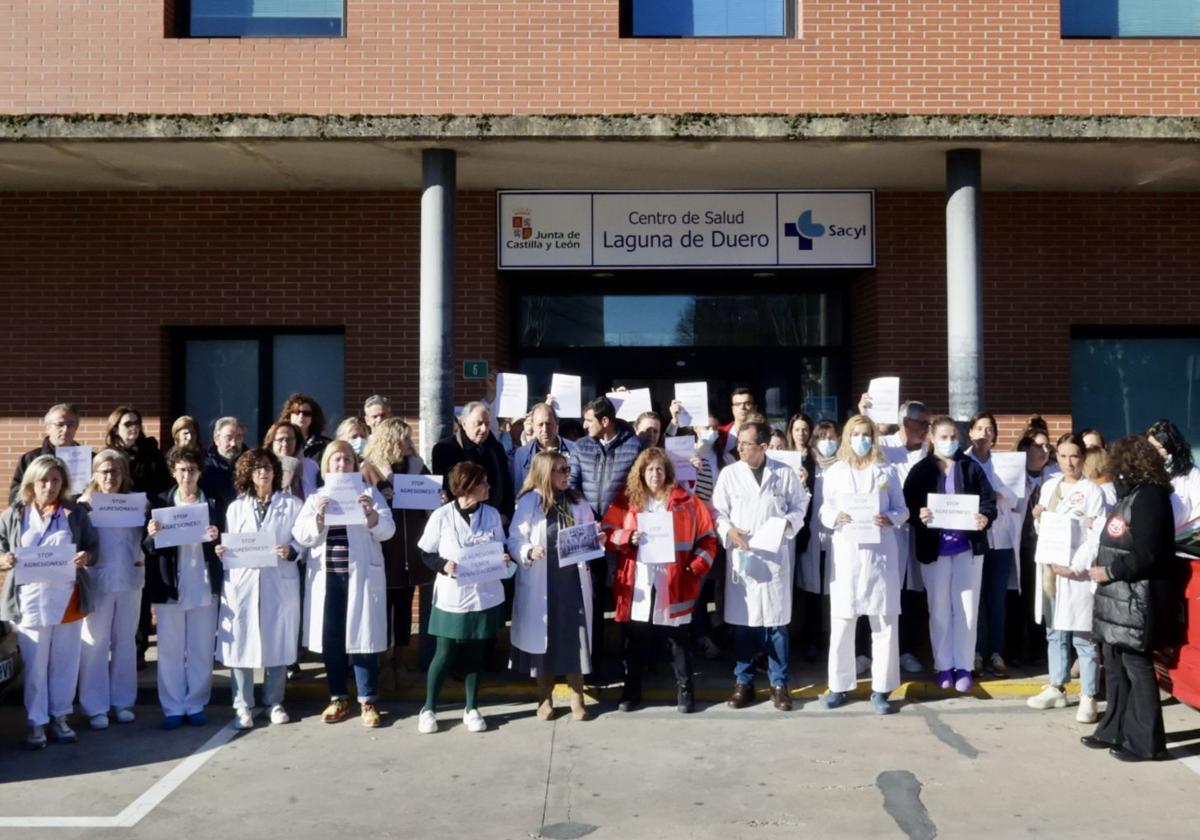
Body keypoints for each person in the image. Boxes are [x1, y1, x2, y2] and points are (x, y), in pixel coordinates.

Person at [1084, 435, 1179, 762]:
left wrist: (1111, 571)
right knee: (1115, 662)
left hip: (1138, 598)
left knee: (1136, 666)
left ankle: (1146, 742)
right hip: (1120, 599)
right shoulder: (1135, 495)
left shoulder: (1151, 497)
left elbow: (1150, 553)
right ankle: (1114, 729)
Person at [602, 448, 718, 713]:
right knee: (635, 640)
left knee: (678, 639)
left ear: (667, 473)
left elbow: (709, 539)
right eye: (649, 469)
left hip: (674, 582)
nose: (655, 474)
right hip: (638, 581)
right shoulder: (627, 501)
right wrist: (626, 537)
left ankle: (686, 692)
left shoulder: (686, 502)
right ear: (641, 473)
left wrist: (696, 566)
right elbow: (607, 532)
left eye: (659, 469)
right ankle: (632, 692)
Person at [292, 440, 395, 728]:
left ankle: (368, 700)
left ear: (354, 465)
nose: (341, 465)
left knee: (363, 638)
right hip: (329, 578)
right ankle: (338, 697)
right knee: (333, 638)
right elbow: (301, 536)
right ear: (326, 466)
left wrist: (371, 515)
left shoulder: (369, 494)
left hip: (361, 575)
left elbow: (388, 531)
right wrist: (319, 518)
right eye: (336, 460)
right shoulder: (316, 497)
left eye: (347, 460)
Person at [0, 455, 98, 749]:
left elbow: (93, 547)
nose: (50, 486)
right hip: (29, 602)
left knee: (65, 665)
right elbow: (1, 546)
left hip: (67, 600)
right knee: (35, 667)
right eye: (44, 480)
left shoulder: (74, 513)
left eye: (56, 480)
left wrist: (86, 557)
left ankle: (60, 717)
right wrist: (4, 559)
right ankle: (36, 722)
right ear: (32, 481)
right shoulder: (14, 514)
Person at [713, 421, 810, 710]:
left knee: (777, 624)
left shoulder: (784, 474)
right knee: (744, 625)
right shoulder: (730, 474)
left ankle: (779, 684)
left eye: (746, 444)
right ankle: (743, 682)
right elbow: (717, 511)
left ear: (764, 447)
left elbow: (799, 507)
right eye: (739, 443)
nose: (739, 448)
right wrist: (728, 531)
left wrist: (787, 524)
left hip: (774, 558)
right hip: (744, 558)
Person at [818, 415, 908, 714]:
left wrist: (890, 518)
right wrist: (835, 518)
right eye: (856, 434)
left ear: (874, 437)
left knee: (883, 624)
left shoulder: (887, 470)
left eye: (866, 434)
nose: (862, 439)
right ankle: (840, 685)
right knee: (843, 623)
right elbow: (824, 509)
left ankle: (881, 689)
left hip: (880, 556)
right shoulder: (836, 472)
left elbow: (902, 508)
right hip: (847, 556)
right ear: (847, 437)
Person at [416, 462, 515, 734]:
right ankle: (428, 708)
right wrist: (443, 565)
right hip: (452, 594)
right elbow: (426, 552)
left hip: (484, 593)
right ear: (469, 486)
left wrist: (503, 558)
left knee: (475, 652)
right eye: (484, 482)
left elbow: (499, 546)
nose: (489, 487)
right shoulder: (442, 516)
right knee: (444, 653)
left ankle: (471, 707)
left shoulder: (492, 514)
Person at [903, 415, 996, 693]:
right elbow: (906, 506)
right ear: (931, 437)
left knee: (967, 610)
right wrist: (918, 514)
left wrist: (985, 518)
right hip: (935, 551)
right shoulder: (920, 471)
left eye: (953, 437)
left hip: (968, 549)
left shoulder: (972, 468)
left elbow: (989, 502)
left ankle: (964, 666)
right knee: (940, 610)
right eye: (943, 437)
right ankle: (943, 665)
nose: (949, 442)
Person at [214, 449, 303, 730]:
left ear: (275, 471)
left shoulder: (292, 505)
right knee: (241, 642)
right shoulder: (236, 508)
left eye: (267, 467)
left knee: (277, 638)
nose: (263, 473)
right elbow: (232, 547)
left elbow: (304, 542)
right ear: (247, 475)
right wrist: (221, 551)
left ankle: (274, 701)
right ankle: (243, 704)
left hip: (280, 580)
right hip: (243, 583)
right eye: (256, 469)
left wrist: (292, 550)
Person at [1026, 432, 1108, 722]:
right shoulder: (1049, 486)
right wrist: (1037, 516)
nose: (1068, 462)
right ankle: (1057, 686)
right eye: (1062, 456)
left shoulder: (1093, 492)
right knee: (1055, 631)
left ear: (1083, 457)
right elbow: (1044, 530)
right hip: (1050, 571)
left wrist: (1074, 566)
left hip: (1077, 573)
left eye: (1074, 455)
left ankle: (1088, 695)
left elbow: (1096, 536)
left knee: (1082, 636)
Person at [509, 451, 597, 720]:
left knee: (574, 638)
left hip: (572, 581)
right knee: (543, 641)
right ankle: (544, 697)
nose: (566, 475)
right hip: (541, 580)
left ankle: (577, 697)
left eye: (567, 469)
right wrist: (527, 551)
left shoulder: (577, 500)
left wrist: (597, 537)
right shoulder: (528, 503)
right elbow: (513, 539)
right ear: (545, 473)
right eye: (560, 470)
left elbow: (590, 530)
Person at [144, 447, 223, 729]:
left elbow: (227, 542)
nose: (187, 475)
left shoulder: (213, 503)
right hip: (171, 587)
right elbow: (147, 549)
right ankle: (173, 707)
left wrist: (217, 537)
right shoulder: (161, 503)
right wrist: (152, 536)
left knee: (201, 648)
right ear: (173, 472)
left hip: (203, 584)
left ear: (200, 472)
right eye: (181, 470)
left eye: (192, 470)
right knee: (170, 650)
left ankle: (196, 703)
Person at [571, 395, 644, 679]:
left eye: (588, 420)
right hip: (591, 533)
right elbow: (574, 484)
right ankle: (593, 661)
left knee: (627, 595)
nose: (584, 424)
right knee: (593, 595)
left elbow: (637, 488)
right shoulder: (581, 446)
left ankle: (631, 662)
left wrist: (619, 521)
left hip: (623, 532)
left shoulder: (633, 445)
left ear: (605, 421)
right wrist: (589, 519)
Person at [360, 417, 436, 685]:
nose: (408, 443)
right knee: (381, 608)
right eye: (402, 438)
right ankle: (382, 659)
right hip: (384, 549)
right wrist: (384, 498)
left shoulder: (417, 467)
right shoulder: (369, 470)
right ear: (389, 440)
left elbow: (431, 503)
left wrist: (436, 498)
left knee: (404, 607)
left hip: (411, 548)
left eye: (408, 438)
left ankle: (400, 659)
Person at [77, 450, 145, 730]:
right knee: (94, 642)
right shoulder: (83, 506)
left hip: (130, 580)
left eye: (115, 471)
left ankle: (122, 702)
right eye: (104, 471)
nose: (110, 477)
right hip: (97, 581)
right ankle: (95, 707)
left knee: (125, 642)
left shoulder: (138, 504)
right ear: (94, 474)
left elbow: (150, 537)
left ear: (123, 474)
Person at [873, 398, 932, 675]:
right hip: (888, 530)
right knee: (882, 591)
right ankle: (868, 651)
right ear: (907, 423)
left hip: (916, 531)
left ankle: (907, 649)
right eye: (924, 424)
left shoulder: (928, 452)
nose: (927, 429)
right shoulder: (883, 447)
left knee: (912, 592)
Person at [966, 411, 1021, 677]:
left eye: (989, 429)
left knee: (996, 598)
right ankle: (975, 651)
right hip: (973, 537)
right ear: (970, 432)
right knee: (974, 598)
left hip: (1000, 539)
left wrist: (1003, 494)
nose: (984, 434)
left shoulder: (1006, 463)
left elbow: (1016, 501)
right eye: (979, 428)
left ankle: (996, 653)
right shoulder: (962, 462)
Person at [797, 420, 840, 660]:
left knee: (836, 590)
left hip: (837, 536)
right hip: (811, 534)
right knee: (812, 592)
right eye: (822, 437)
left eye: (832, 437)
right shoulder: (808, 465)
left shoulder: (844, 466)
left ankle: (835, 641)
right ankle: (812, 639)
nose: (827, 442)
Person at [431, 401, 515, 522]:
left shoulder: (496, 448)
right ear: (464, 424)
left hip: (496, 520)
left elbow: (506, 484)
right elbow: (445, 489)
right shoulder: (445, 449)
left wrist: (506, 515)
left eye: (487, 423)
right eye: (479, 423)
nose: (484, 428)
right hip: (460, 520)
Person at [9, 403, 81, 505]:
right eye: (60, 424)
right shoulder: (30, 458)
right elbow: (16, 495)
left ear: (76, 428)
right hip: (40, 517)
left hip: (80, 518)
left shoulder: (91, 459)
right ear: (47, 428)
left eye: (70, 425)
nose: (65, 430)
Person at [104, 405, 171, 496]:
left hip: (147, 505)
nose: (134, 427)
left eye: (137, 423)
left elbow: (163, 484)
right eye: (128, 424)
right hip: (116, 505)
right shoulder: (107, 456)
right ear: (115, 429)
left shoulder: (152, 453)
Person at [510, 402, 576, 494]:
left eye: (548, 424)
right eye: (540, 425)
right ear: (533, 425)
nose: (545, 429)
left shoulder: (574, 449)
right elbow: (518, 491)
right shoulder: (522, 454)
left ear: (557, 423)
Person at [1145, 419, 1200, 524]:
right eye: (1149, 448)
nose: (1152, 453)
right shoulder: (1143, 472)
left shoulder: (1191, 474)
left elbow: (1198, 513)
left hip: (1181, 536)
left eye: (1157, 448)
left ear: (1170, 448)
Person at [199, 416, 246, 516]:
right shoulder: (205, 469)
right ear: (217, 439)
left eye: (238, 437)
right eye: (228, 438)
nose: (233, 443)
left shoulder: (250, 467)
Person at [264, 420, 318, 499]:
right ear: (271, 442)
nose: (285, 444)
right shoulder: (266, 468)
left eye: (289, 439)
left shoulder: (311, 466)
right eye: (280, 440)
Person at [278, 393, 332, 461]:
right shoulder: (279, 440)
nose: (301, 416)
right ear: (289, 415)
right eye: (297, 412)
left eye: (306, 413)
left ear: (313, 418)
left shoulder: (325, 444)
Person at [716, 388, 757, 466]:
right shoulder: (719, 433)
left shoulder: (765, 435)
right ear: (733, 409)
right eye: (738, 404)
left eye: (747, 403)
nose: (742, 407)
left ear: (755, 408)